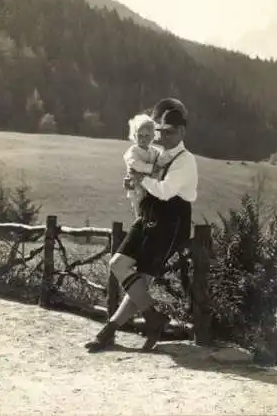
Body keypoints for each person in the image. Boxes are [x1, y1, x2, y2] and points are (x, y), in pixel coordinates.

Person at [85, 99, 198, 352]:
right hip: (149, 214)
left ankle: (108, 332)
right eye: (162, 131)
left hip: (171, 220)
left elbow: (166, 191)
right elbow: (144, 180)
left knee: (142, 281)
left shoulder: (185, 160)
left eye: (170, 131)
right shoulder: (160, 155)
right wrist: (133, 183)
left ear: (182, 132)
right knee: (118, 264)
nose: (164, 136)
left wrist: (141, 178)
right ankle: (153, 317)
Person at [123, 113, 161, 218]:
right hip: (136, 186)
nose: (142, 139)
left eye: (146, 136)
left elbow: (162, 160)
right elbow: (135, 164)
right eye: (140, 136)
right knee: (139, 208)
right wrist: (152, 168)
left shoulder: (154, 151)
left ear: (153, 137)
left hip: (150, 185)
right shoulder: (133, 151)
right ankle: (140, 224)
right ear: (134, 136)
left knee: (153, 208)